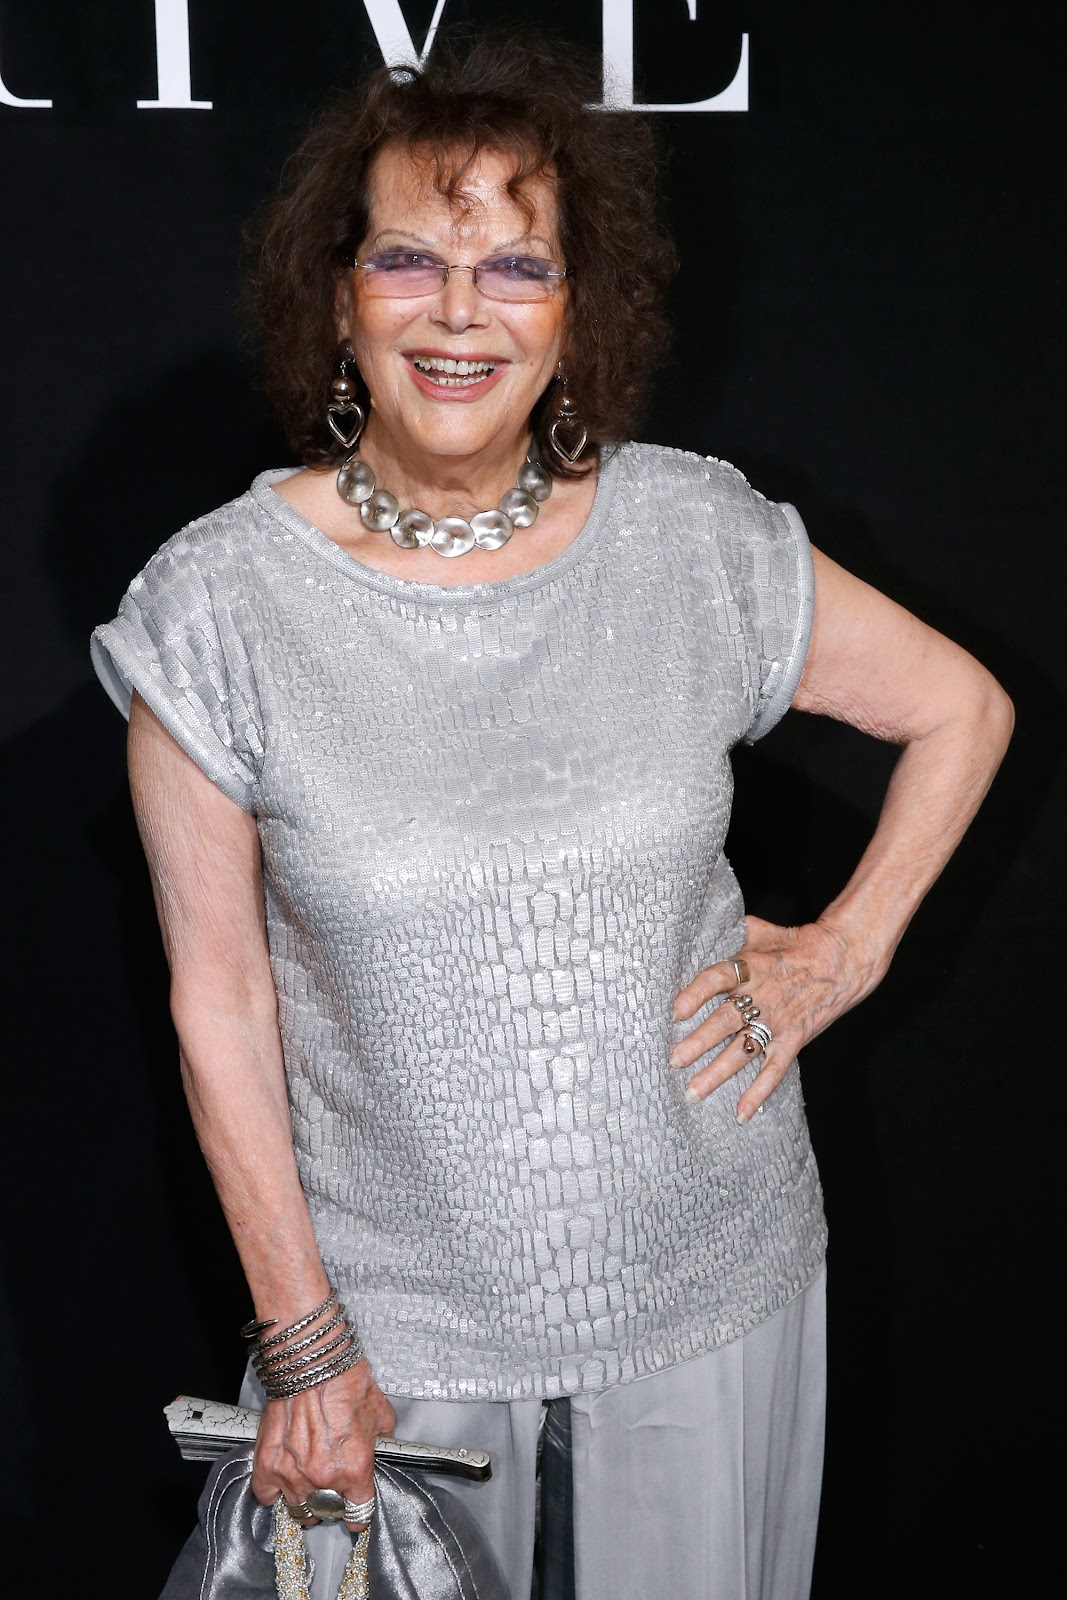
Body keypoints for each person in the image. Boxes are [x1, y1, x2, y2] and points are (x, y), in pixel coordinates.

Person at [90, 30, 1013, 1600]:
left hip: (715, 1293)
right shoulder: (215, 609)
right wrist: (304, 1344)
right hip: (395, 1340)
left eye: (518, 265)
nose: (463, 311)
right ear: (335, 297)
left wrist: (847, 950)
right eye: (410, 259)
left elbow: (963, 709)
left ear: (577, 313)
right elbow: (221, 1006)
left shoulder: (693, 539)